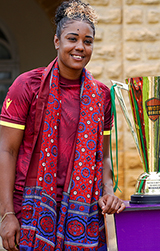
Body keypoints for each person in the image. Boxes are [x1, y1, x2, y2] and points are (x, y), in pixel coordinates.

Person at [0, 1, 125, 250]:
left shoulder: (101, 95)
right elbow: (7, 151)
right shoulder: (27, 85)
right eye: (72, 39)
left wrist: (108, 191)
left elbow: (105, 157)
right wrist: (6, 214)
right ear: (57, 41)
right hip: (30, 211)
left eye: (87, 41)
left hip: (84, 214)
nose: (80, 47)